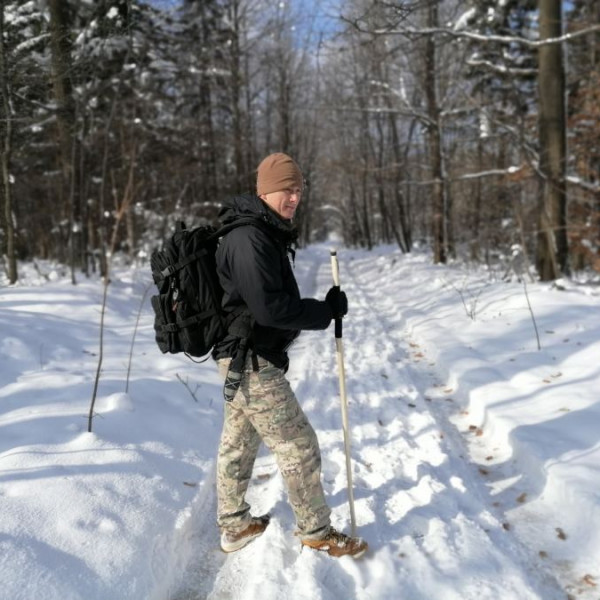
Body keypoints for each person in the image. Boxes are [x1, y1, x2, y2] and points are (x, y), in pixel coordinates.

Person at [212, 152, 368, 558]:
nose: (294, 197)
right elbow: (270, 309)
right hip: (250, 359)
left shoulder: (261, 231)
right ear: (265, 191)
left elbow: (269, 304)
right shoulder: (249, 238)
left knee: (239, 443)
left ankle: (234, 526)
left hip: (244, 357)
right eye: (287, 189)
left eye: (298, 189)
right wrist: (325, 311)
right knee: (298, 444)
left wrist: (320, 308)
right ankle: (316, 531)